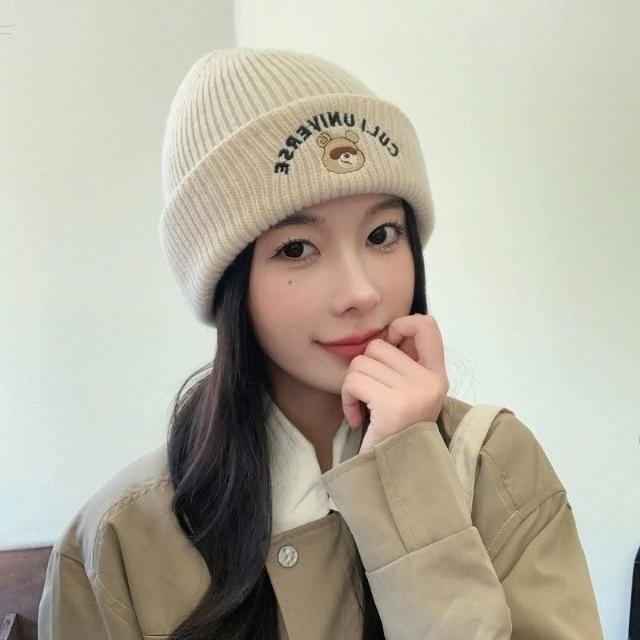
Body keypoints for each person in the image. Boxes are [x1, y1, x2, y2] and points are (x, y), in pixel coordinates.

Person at [38, 47, 604, 639]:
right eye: (296, 249)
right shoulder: (119, 542)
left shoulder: (493, 466)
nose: (360, 292)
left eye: (382, 234)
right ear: (228, 282)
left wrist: (406, 475)